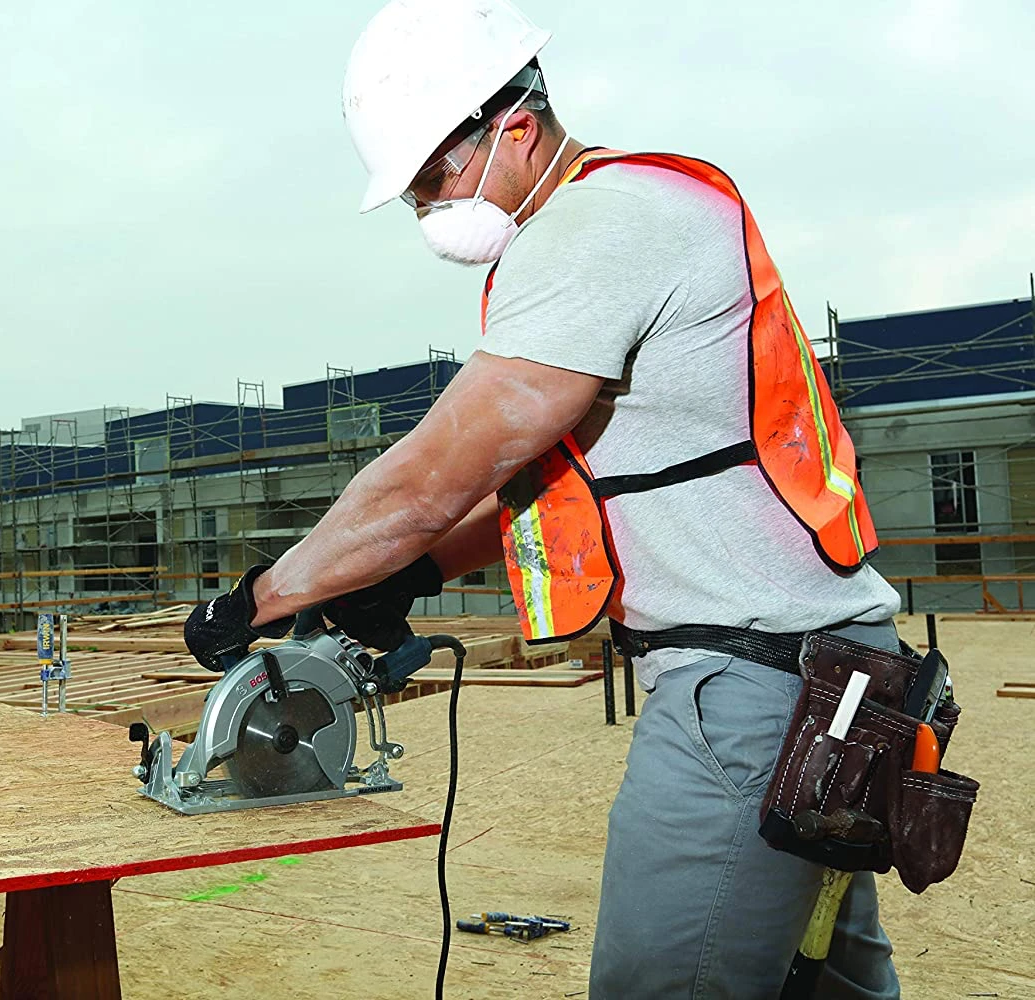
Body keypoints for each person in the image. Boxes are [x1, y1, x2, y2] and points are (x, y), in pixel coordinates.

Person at [184, 1, 905, 996]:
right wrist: (421, 571)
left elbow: (434, 472)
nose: (430, 209)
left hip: (748, 690)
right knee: (821, 983)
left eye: (435, 176)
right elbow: (574, 480)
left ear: (513, 125)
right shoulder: (632, 216)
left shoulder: (597, 228)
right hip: (832, 686)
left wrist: (256, 598)